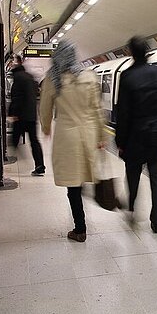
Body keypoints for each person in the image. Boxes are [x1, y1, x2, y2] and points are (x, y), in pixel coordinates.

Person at [39, 41, 106, 242]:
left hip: (67, 135)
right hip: (88, 132)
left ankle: (80, 228)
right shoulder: (89, 75)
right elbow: (97, 109)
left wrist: (46, 127)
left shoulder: (53, 78)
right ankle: (84, 210)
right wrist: (102, 136)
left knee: (73, 185)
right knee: (84, 173)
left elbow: (45, 107)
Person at [115, 36, 157, 234]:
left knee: (133, 175)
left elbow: (123, 113)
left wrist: (120, 141)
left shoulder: (127, 76)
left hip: (135, 137)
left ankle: (131, 208)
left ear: (130, 53)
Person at [8, 54, 45, 176]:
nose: (11, 64)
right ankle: (40, 165)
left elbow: (16, 97)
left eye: (12, 62)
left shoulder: (17, 77)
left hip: (20, 116)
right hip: (32, 115)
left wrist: (13, 113)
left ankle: (15, 158)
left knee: (14, 139)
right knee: (34, 140)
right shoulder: (30, 77)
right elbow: (34, 93)